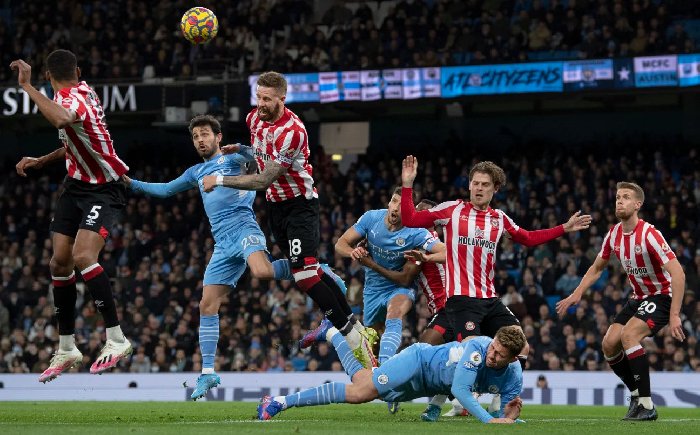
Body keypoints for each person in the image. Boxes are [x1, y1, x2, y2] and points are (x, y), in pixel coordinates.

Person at [200, 71, 375, 367]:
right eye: (259, 97)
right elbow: (260, 154)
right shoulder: (253, 119)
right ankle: (358, 328)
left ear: (282, 98)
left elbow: (263, 179)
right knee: (304, 272)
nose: (261, 104)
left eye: (267, 99)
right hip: (276, 209)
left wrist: (221, 179)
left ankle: (352, 336)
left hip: (300, 205)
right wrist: (242, 149)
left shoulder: (294, 130)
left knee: (305, 277)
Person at [399, 155, 592, 417]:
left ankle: (501, 400)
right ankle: (440, 404)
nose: (479, 188)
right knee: (470, 353)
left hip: (489, 300)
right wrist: (408, 184)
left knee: (521, 346)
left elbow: (528, 238)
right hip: (461, 299)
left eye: (485, 184)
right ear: (469, 186)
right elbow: (410, 219)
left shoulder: (499, 218)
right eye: (475, 183)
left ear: (495, 189)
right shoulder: (451, 210)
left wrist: (563, 228)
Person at [123, 114, 293, 400]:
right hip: (222, 243)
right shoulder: (194, 173)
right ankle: (208, 372)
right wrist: (131, 184)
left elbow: (265, 158)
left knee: (262, 272)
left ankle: (310, 267)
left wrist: (239, 148)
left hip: (243, 227)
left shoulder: (233, 159)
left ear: (218, 137)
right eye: (196, 136)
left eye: (205, 134)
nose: (200, 140)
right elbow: (165, 190)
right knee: (207, 304)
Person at [11, 50, 132, 382]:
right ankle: (67, 348)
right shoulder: (82, 91)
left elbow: (63, 120)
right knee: (59, 263)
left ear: (48, 77)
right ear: (77, 70)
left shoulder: (70, 97)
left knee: (82, 256)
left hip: (104, 188)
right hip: (75, 185)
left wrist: (27, 86)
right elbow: (74, 138)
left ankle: (117, 339)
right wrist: (42, 159)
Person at [306, 190, 445, 414]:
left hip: (399, 288)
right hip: (372, 291)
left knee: (395, 312)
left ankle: (386, 373)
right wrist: (354, 251)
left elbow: (419, 268)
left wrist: (370, 262)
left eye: (403, 205)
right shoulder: (371, 218)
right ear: (389, 202)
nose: (396, 208)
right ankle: (333, 334)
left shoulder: (417, 233)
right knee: (371, 345)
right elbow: (340, 244)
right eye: (394, 201)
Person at [556, 181, 686, 421]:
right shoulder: (614, 234)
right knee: (609, 344)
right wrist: (577, 293)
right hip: (637, 298)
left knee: (629, 337)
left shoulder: (650, 234)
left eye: (626, 197)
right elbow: (597, 268)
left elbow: (678, 273)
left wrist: (675, 314)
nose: (619, 201)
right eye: (617, 197)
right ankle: (637, 395)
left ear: (638, 205)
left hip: (661, 296)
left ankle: (646, 405)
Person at [257, 325, 526, 424]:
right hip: (417, 362)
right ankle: (279, 402)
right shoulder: (478, 350)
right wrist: (489, 420)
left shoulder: (514, 376)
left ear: (514, 359)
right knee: (361, 392)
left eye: (499, 355)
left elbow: (503, 418)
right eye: (493, 348)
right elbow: (461, 390)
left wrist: (508, 417)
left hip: (425, 385)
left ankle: (331, 333)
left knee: (363, 381)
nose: (492, 355)